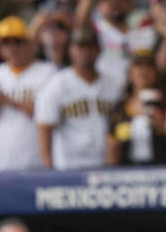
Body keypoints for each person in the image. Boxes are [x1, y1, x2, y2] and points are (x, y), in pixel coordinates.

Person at [0, 17, 57, 172]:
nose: (12, 48)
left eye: (17, 42)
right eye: (6, 43)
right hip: (0, 163)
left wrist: (11, 102)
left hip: (37, 163)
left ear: (29, 43)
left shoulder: (48, 71)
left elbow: (52, 116)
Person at [34, 27, 123, 169]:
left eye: (90, 47)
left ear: (98, 50)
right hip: (68, 165)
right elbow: (45, 126)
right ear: (71, 50)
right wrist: (48, 166)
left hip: (103, 165)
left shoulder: (112, 85)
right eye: (80, 47)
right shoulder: (57, 84)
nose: (85, 52)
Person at [107, 51, 166, 166]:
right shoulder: (119, 109)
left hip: (163, 169)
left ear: (156, 73)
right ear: (130, 73)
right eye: (138, 67)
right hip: (127, 172)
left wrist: (162, 125)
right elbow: (111, 148)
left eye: (148, 67)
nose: (143, 72)